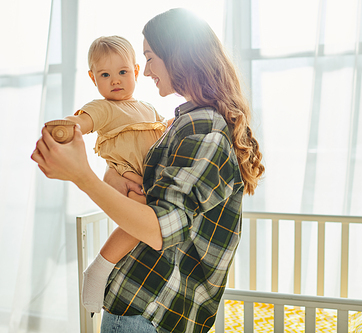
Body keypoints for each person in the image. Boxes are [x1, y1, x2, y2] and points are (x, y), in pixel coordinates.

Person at [32, 8, 264, 333]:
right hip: (145, 307)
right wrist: (114, 178)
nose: (148, 71)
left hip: (147, 310)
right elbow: (148, 194)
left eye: (150, 58)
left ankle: (97, 269)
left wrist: (82, 176)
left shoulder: (203, 130)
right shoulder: (185, 122)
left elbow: (158, 229)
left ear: (178, 56)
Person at [47, 35, 168, 313]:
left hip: (149, 180)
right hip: (126, 178)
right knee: (140, 214)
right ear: (93, 78)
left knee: (152, 224)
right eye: (105, 74)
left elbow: (162, 129)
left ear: (136, 72)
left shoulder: (147, 107)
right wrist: (66, 126)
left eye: (123, 72)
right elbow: (83, 122)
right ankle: (100, 268)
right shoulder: (103, 108)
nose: (115, 80)